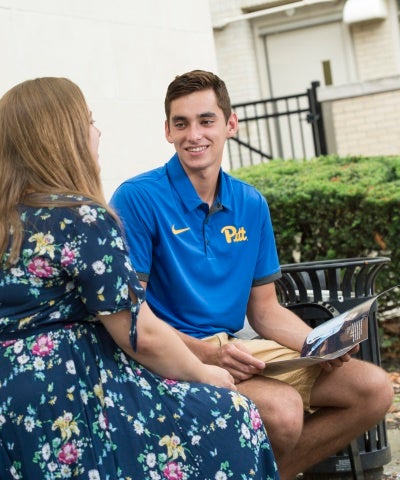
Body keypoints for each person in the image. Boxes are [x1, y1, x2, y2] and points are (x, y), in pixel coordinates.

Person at [110, 69, 394, 480]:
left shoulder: (250, 203)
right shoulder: (138, 198)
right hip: (172, 354)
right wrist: (207, 353)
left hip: (238, 350)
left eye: (206, 120)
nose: (194, 135)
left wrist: (319, 344)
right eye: (181, 123)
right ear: (167, 132)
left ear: (230, 124)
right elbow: (132, 314)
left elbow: (264, 310)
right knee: (283, 412)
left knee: (372, 389)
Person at [0, 77, 280, 480]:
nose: (98, 132)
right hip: (72, 394)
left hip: (12, 395)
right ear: (64, 137)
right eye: (89, 121)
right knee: (232, 415)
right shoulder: (81, 217)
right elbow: (139, 332)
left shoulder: (10, 218)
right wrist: (207, 374)